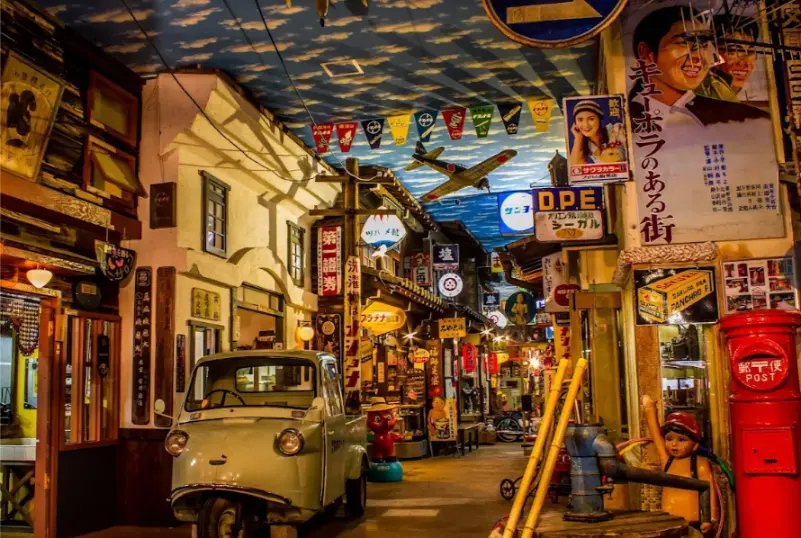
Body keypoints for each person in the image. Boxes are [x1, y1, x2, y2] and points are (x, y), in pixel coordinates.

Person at [630, 5, 768, 126]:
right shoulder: (629, 116)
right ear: (646, 53)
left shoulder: (741, 115)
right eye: (684, 43)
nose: (698, 57)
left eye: (703, 44)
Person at [642, 395, 717, 537]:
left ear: (694, 445)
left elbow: (710, 491)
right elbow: (656, 436)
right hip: (668, 524)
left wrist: (710, 519)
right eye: (669, 439)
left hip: (693, 524)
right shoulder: (668, 462)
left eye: (681, 440)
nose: (674, 444)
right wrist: (650, 409)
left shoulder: (699, 465)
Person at [569, 100, 626, 165]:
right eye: (580, 120)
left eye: (591, 119)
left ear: (599, 119)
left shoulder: (616, 130)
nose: (585, 125)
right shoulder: (586, 145)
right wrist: (578, 138)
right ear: (575, 123)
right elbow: (575, 167)